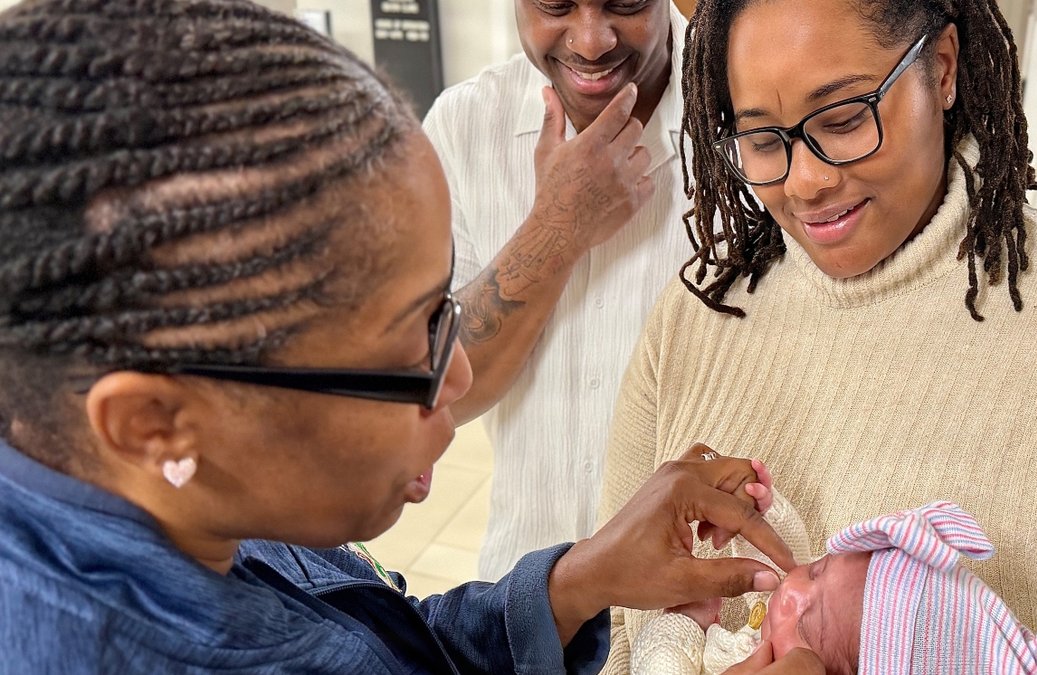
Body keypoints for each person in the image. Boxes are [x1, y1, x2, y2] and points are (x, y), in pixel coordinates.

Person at [0, 1, 798, 671]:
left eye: (442, 314)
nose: (455, 376)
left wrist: (574, 583)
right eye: (410, 342)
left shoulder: (184, 503)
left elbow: (399, 640)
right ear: (152, 423)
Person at [600, 0, 1037, 671]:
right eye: (764, 141)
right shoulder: (694, 320)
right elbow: (625, 638)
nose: (807, 180)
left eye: (844, 119)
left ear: (941, 69)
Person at [423, 0, 696, 581]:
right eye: (555, 5)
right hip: (527, 593)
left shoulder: (750, 111)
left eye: (624, 3)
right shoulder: (464, 126)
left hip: (706, 617)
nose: (591, 41)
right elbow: (438, 390)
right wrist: (559, 227)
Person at [632, 501, 1037, 674]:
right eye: (819, 569)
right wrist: (761, 509)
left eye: (811, 624)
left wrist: (688, 622)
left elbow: (656, 662)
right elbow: (789, 557)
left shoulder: (750, 660)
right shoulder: (775, 621)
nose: (794, 590)